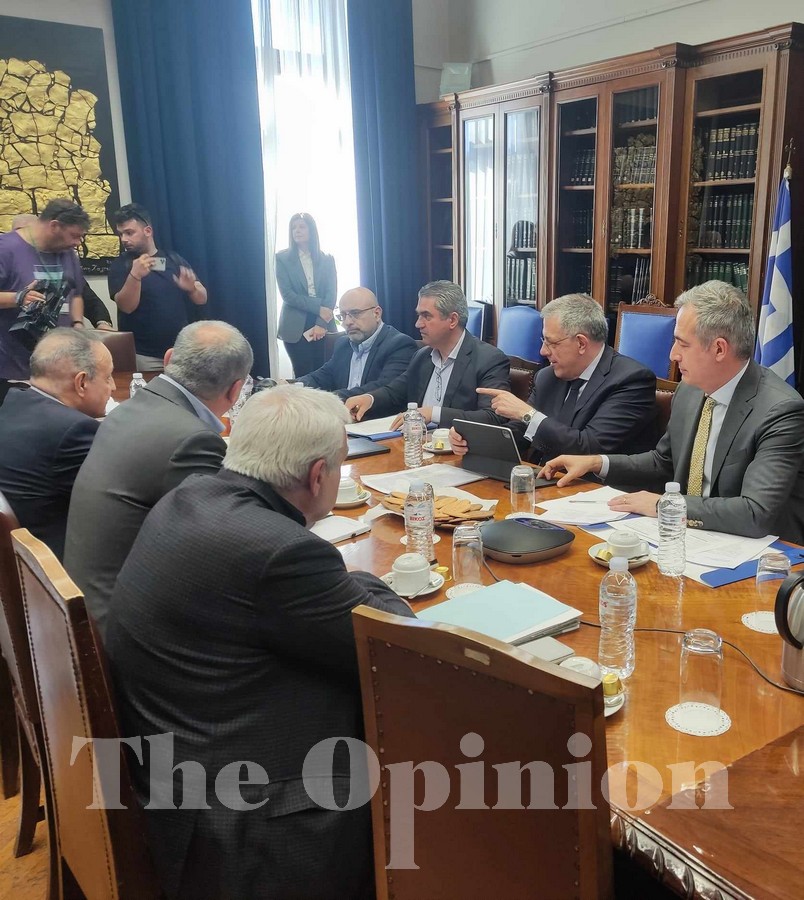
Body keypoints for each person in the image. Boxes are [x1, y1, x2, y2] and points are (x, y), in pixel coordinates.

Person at [105, 385, 413, 900]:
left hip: (171, 762)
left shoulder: (189, 496)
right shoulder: (279, 553)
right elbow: (396, 644)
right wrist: (365, 581)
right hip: (247, 814)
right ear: (318, 475)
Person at [541, 281, 804, 542]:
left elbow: (754, 513)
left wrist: (662, 505)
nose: (673, 355)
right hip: (687, 537)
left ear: (719, 349)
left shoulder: (779, 411)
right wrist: (597, 462)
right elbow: (663, 462)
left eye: (682, 344)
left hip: (760, 551)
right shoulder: (689, 390)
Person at [64, 321, 252, 637]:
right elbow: (226, 549)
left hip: (89, 604)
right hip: (126, 631)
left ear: (168, 359)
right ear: (236, 390)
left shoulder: (129, 408)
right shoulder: (192, 440)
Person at [450, 294, 657, 462]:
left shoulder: (631, 380)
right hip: (546, 481)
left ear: (581, 343)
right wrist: (474, 440)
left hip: (596, 491)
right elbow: (522, 431)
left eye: (552, 343)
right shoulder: (547, 376)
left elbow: (589, 447)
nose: (543, 351)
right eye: (544, 341)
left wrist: (527, 414)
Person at [0, 329, 113, 559]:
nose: (112, 386)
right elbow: (120, 500)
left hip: (21, 553)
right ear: (81, 382)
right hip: (58, 564)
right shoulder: (73, 431)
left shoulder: (14, 402)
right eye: (108, 377)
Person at [346, 280, 510, 428]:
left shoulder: (489, 360)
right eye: (419, 315)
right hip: (415, 443)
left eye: (426, 316)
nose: (418, 324)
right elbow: (396, 392)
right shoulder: (422, 356)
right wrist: (369, 399)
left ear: (452, 320)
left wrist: (433, 413)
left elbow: (493, 417)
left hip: (456, 447)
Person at [0, 200, 89, 404]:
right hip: (12, 368)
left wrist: (77, 324)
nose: (78, 243)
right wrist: (18, 297)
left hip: (58, 367)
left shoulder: (68, 253)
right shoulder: (6, 248)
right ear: (54, 226)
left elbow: (75, 294)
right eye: (74, 235)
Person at [108, 203, 207, 372]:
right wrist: (135, 276)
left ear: (147, 231)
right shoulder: (121, 265)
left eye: (129, 233)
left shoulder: (173, 259)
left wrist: (192, 289)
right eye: (121, 234)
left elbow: (202, 299)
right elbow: (126, 307)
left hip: (179, 352)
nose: (124, 239)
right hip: (143, 355)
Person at [297, 287, 417, 399]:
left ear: (377, 314)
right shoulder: (343, 344)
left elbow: (382, 389)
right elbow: (321, 377)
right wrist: (292, 386)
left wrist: (327, 399)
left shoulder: (400, 345)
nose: (347, 322)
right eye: (343, 316)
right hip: (341, 410)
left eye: (355, 313)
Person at [12, 214, 115, 331]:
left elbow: (88, 298)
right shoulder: (9, 263)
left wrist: (102, 323)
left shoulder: (62, 262)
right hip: (20, 335)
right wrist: (19, 297)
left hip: (63, 336)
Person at [276, 212, 337, 377]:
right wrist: (319, 308)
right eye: (293, 228)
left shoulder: (327, 259)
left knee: (325, 373)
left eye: (302, 227)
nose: (297, 231)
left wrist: (321, 322)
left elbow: (331, 294)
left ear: (312, 230)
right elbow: (288, 295)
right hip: (295, 325)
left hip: (323, 321)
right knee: (303, 374)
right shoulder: (282, 258)